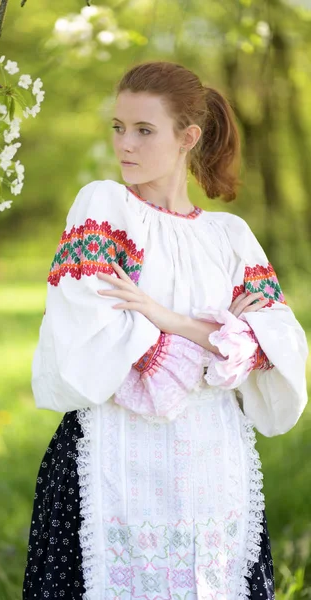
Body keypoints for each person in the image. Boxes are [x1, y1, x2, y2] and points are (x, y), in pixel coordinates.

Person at [21, 61, 308, 600]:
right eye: (118, 127)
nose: (124, 144)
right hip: (112, 453)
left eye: (143, 130)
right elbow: (89, 334)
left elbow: (278, 345)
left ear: (188, 137)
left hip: (213, 461)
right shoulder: (104, 207)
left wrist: (162, 318)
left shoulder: (230, 237)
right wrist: (219, 335)